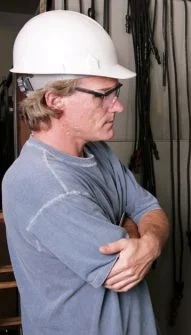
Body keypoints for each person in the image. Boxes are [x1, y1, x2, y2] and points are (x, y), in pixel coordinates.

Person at [1, 10, 169, 335]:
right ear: (54, 100)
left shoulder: (97, 151)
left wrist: (146, 242)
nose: (117, 106)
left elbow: (150, 210)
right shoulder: (39, 182)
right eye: (103, 95)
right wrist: (138, 232)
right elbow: (123, 268)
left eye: (114, 92)